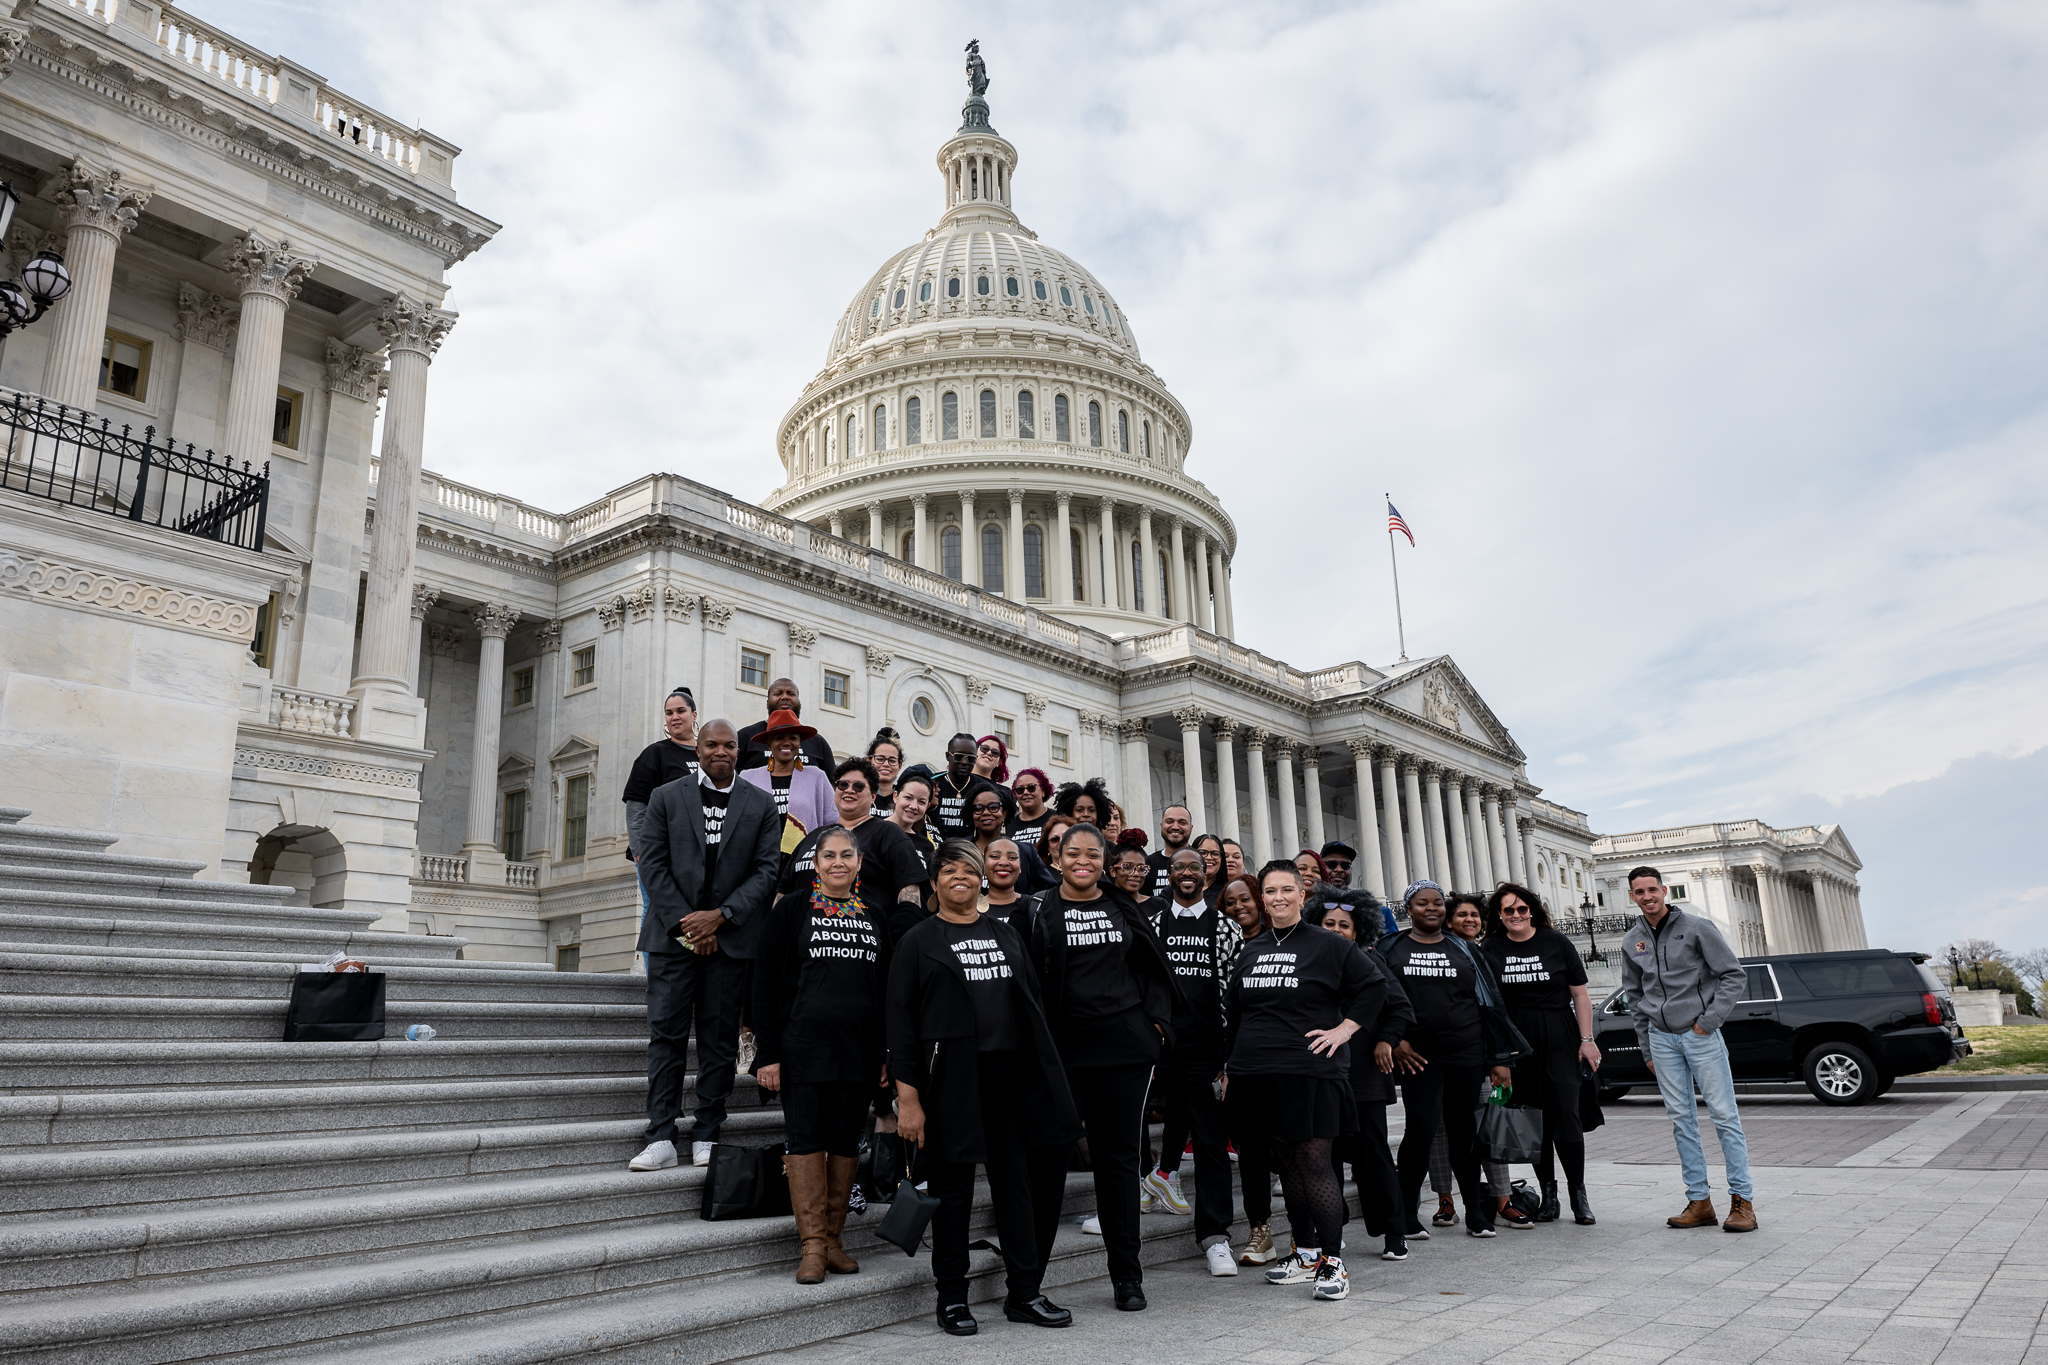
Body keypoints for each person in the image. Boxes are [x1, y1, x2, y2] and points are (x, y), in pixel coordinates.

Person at [888, 840, 1080, 1336]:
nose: (961, 877)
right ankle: (952, 1298)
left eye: (968, 870)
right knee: (952, 1194)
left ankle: (1025, 1292)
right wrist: (908, 1100)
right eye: (949, 870)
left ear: (981, 881)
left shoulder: (1006, 934)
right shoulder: (918, 941)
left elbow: (1033, 1008)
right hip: (949, 1082)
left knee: (1016, 1188)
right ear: (934, 884)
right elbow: (900, 1026)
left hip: (1010, 1081)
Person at [1020, 822, 1180, 1313]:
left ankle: (1127, 1280)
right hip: (1061, 1054)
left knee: (1118, 1164)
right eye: (1074, 853)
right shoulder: (1038, 908)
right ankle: (1027, 1285)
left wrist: (1154, 1025)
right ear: (1058, 857)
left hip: (1123, 1051)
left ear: (1105, 861)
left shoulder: (1121, 905)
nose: (1082, 861)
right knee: (1047, 1165)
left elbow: (1154, 968)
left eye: (1093, 853)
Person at [1224, 861, 1386, 1302]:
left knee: (1315, 1164)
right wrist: (1229, 1067)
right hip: (1258, 1074)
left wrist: (1344, 1030)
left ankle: (1334, 1261)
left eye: (1286, 890)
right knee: (1288, 1166)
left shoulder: (1328, 945)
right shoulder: (1252, 948)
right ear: (1263, 898)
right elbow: (1236, 1012)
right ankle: (1307, 1251)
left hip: (1310, 1073)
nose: (1277, 897)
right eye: (1270, 890)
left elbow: (1374, 988)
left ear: (1302, 895)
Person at [630, 720, 781, 1170]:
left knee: (719, 1042)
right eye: (711, 744)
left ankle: (707, 1132)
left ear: (739, 751)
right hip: (672, 939)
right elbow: (652, 865)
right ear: (696, 747)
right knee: (667, 1037)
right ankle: (659, 1133)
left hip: (731, 940)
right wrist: (689, 927)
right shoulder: (666, 797)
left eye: (728, 745)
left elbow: (766, 870)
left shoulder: (760, 803)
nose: (720, 751)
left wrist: (721, 918)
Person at [751, 824, 889, 1283]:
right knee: (807, 1140)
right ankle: (810, 1246)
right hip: (801, 1050)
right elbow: (764, 984)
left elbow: (887, 990)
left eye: (846, 855)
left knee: (846, 1143)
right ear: (815, 863)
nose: (837, 863)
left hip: (858, 1052)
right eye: (828, 855)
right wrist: (767, 1054)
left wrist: (887, 1053)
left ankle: (834, 1240)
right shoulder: (791, 910)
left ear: (858, 863)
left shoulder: (874, 914)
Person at [1622, 865, 1756, 1233]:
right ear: (1632, 896)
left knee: (1725, 1117)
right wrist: (1646, 1047)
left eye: (1652, 889)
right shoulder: (1631, 940)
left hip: (1700, 1036)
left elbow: (1733, 975)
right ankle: (1699, 1202)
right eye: (1639, 892)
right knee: (1681, 1121)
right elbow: (1635, 998)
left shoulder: (1697, 928)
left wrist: (1708, 1022)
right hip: (1661, 1039)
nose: (1647, 896)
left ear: (1664, 891)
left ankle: (1742, 1202)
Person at [1378, 880, 1514, 1238]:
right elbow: (1377, 999)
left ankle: (1475, 1213)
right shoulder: (1390, 948)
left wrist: (1499, 1057)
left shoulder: (1466, 949)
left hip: (1466, 1051)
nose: (1432, 908)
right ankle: (1408, 1213)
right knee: (1420, 1130)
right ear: (1408, 909)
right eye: (1422, 903)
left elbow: (1490, 1003)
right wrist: (1395, 1041)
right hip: (1417, 1056)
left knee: (1464, 1131)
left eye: (1438, 903)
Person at [1145, 848, 1244, 1275]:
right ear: (1168, 874)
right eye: (1179, 867)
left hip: (1206, 1051)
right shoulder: (1152, 924)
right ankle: (1128, 1203)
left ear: (1207, 874)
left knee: (1209, 1143)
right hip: (1156, 1047)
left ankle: (1215, 1236)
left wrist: (1230, 1054)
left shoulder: (1225, 928)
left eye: (1194, 867)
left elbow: (1238, 997)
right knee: (1123, 1128)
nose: (1186, 873)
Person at [1483, 882, 1599, 1226]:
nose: (1516, 915)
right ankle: (1548, 1195)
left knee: (1566, 1112)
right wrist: (1499, 1057)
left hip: (1560, 1033)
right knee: (1532, 1119)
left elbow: (1580, 995)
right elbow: (1490, 1006)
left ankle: (1579, 1194)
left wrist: (1587, 1039)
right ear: (1499, 916)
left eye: (1521, 908)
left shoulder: (1555, 941)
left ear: (1531, 909)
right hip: (1517, 1038)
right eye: (1508, 910)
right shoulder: (1490, 948)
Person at [1315, 900, 1414, 1261]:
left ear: (1358, 932)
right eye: (1329, 923)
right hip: (1319, 1074)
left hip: (1363, 1076)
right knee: (1323, 1158)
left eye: (1345, 925)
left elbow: (1400, 1007)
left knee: (1373, 1157)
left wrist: (1387, 1039)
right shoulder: (1307, 960)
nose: (1337, 930)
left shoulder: (1370, 962)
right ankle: (1330, 1229)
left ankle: (1394, 1231)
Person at [1426, 894, 1515, 1228]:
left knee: (1493, 1123)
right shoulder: (1437, 950)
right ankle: (1445, 1200)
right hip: (1446, 1055)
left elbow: (1495, 1010)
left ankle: (1503, 1198)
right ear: (1449, 921)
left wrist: (1500, 1058)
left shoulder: (1482, 952)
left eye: (1475, 915)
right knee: (1440, 1130)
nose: (1469, 919)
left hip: (1482, 1053)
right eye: (1461, 914)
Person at [781, 758, 929, 937]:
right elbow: (784, 890)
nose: (849, 790)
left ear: (873, 796)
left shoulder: (888, 833)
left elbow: (910, 894)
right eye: (842, 785)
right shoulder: (814, 835)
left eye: (858, 786)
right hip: (802, 944)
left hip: (861, 945)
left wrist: (893, 942)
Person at [1214, 872, 1277, 1263]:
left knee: (1291, 1147)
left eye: (1245, 899)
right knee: (1252, 1149)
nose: (1239, 907)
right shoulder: (1225, 946)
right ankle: (1260, 1230)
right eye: (1230, 903)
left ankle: (1306, 1234)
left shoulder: (1282, 941)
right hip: (1241, 1060)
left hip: (1284, 1059)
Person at [623, 688, 702, 925]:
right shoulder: (654, 754)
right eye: (669, 713)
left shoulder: (707, 754)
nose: (674, 717)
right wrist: (640, 851)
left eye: (681, 711)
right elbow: (636, 807)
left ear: (694, 715)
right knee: (656, 910)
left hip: (697, 853)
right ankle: (654, 964)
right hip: (658, 852)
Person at [740, 709, 835, 840]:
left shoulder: (817, 777)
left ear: (799, 743)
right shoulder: (747, 778)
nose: (786, 742)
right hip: (759, 857)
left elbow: (832, 822)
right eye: (779, 738)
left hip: (804, 857)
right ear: (769, 743)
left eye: (793, 738)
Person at [736, 679, 836, 773]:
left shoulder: (818, 742)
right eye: (778, 693)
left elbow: (832, 784)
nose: (784, 697)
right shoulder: (745, 736)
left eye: (791, 693)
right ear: (767, 703)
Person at [969, 785, 1055, 894]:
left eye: (993, 807)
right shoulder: (960, 850)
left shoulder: (1026, 851)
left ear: (1004, 814)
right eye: (978, 808)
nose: (986, 812)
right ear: (972, 814)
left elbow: (1050, 892)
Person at [931, 734, 1005, 843]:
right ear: (947, 756)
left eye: (971, 758)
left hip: (971, 852)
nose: (965, 762)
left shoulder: (985, 788)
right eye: (958, 756)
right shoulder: (932, 783)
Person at [1322, 840, 1395, 937]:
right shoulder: (1305, 910)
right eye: (1331, 864)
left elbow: (1392, 948)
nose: (1339, 869)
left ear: (1351, 870)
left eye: (1345, 865)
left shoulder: (1380, 913)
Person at [1144, 803, 1194, 899]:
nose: (1175, 827)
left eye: (1182, 822)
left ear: (1191, 828)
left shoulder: (1201, 862)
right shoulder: (1147, 864)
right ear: (1162, 826)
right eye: (1169, 821)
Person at [887, 771, 939, 862]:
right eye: (908, 798)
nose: (914, 806)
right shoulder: (874, 831)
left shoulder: (926, 846)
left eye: (921, 802)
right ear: (895, 796)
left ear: (927, 807)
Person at [982, 836, 1029, 928]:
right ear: (983, 865)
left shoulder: (1034, 906)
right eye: (995, 856)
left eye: (1012, 857)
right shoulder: (969, 909)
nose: (1003, 862)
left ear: (1020, 866)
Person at [1110, 839, 1157, 919]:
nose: (1136, 874)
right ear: (1113, 871)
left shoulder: (1158, 905)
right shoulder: (1103, 906)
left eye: (1141, 868)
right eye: (1128, 867)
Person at [1009, 768, 1054, 849]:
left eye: (1031, 787)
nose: (1025, 792)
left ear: (1043, 791)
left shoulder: (1056, 820)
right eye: (1020, 789)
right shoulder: (1009, 825)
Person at [866, 729, 905, 814]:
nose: (886, 764)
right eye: (880, 759)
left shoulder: (904, 800)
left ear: (899, 765)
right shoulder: (860, 794)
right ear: (869, 761)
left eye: (892, 760)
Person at [1191, 833, 1226, 904]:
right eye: (1203, 853)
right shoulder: (1177, 889)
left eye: (1215, 853)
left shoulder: (1228, 892)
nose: (1209, 857)